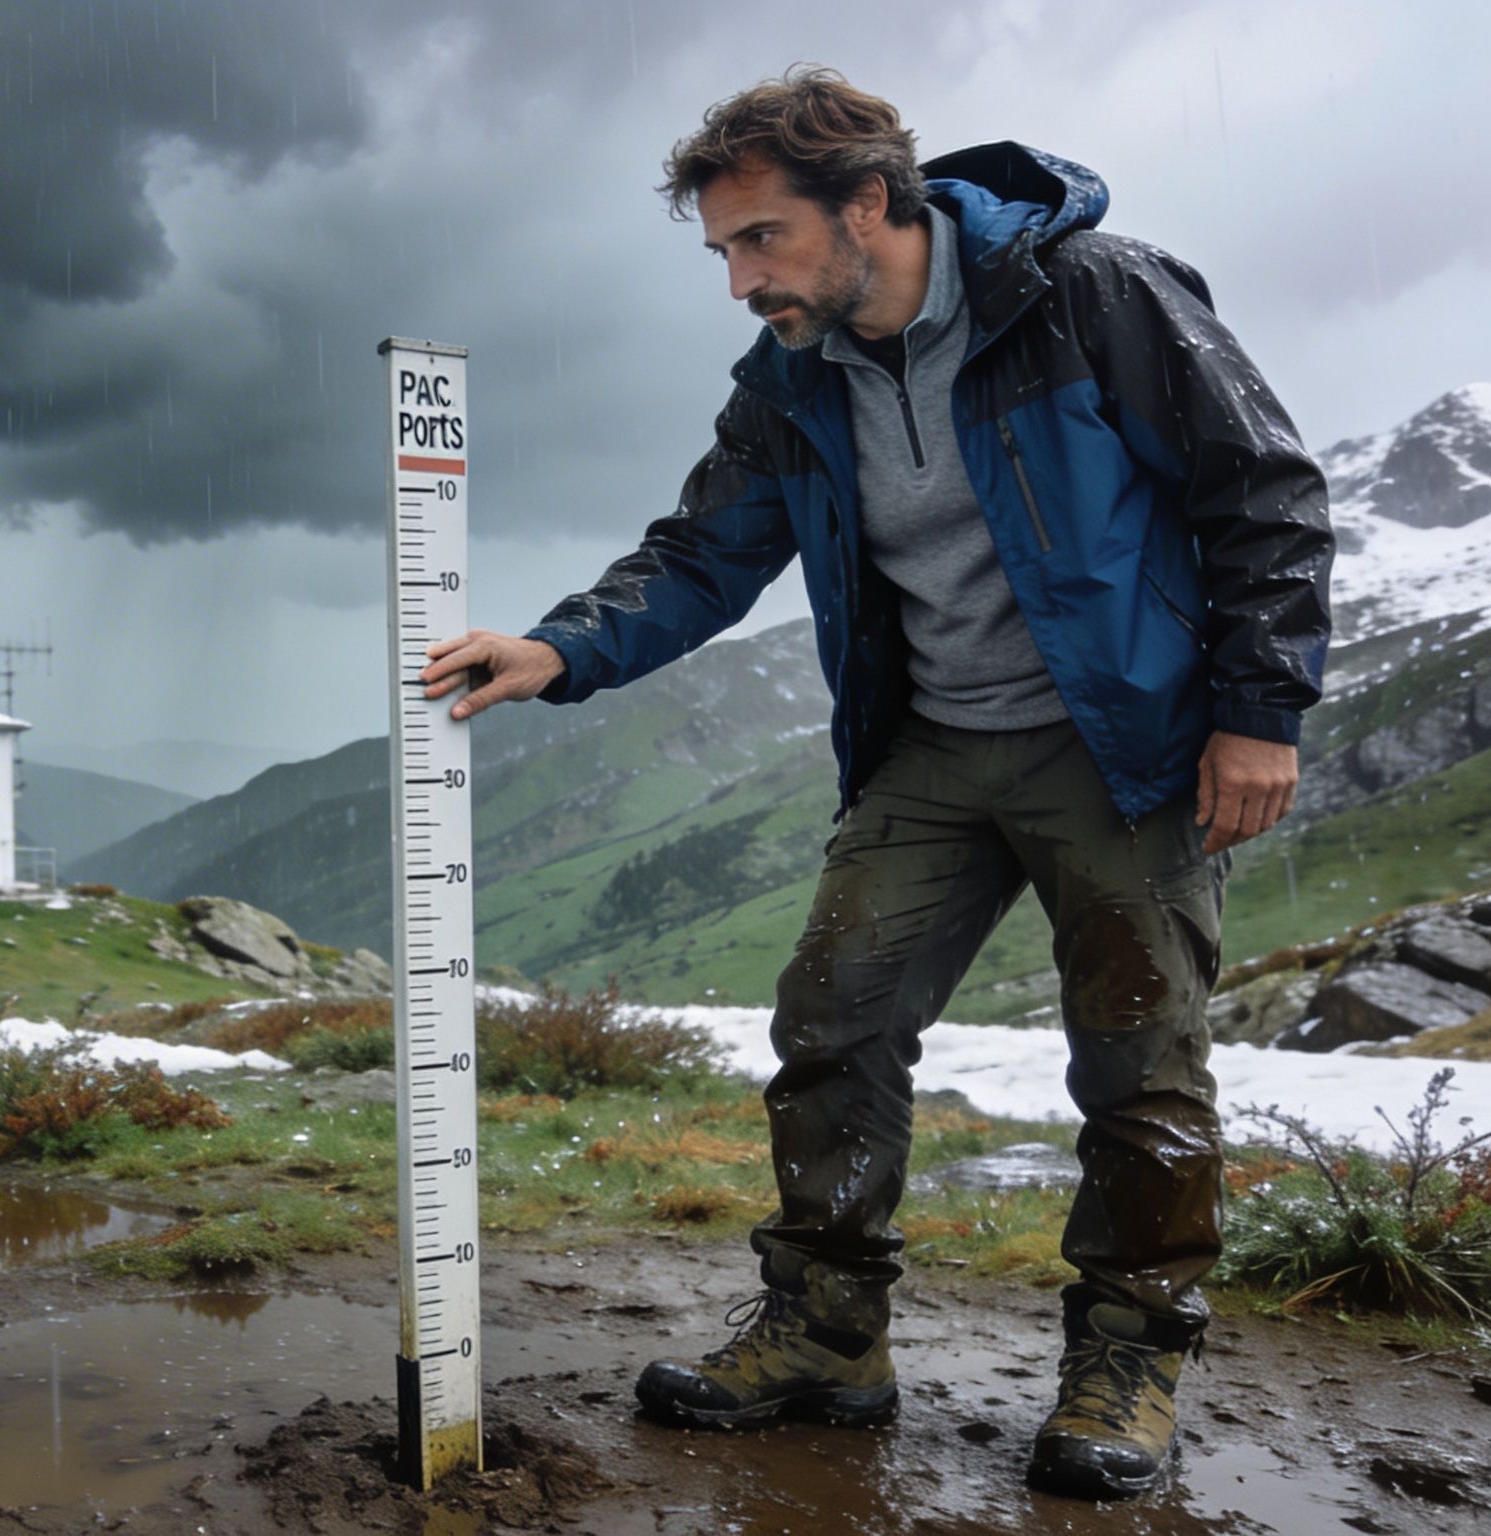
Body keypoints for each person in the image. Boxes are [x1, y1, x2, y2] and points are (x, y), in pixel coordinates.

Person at [419, 66, 1333, 1501]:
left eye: (757, 239)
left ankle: (1126, 1361)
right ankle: (824, 1338)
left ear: (867, 205)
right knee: (832, 1024)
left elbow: (1261, 487)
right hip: (929, 747)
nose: (735, 279)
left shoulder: (1092, 294)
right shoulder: (792, 372)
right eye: (720, 249)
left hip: (1124, 746)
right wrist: (558, 648)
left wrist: (1257, 711)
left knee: (1136, 1070)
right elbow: (705, 550)